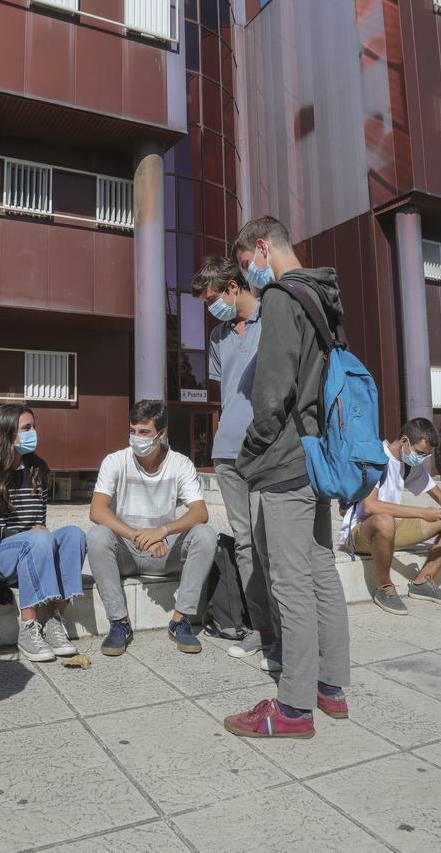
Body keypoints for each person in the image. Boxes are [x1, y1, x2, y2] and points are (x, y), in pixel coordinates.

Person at [221, 216, 350, 740]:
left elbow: (272, 394)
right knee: (322, 569)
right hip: (319, 455)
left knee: (290, 580)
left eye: (247, 262)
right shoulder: (324, 296)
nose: (248, 272)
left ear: (261, 248)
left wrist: (251, 452)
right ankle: (330, 688)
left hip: (285, 460)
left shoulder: (280, 299)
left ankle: (293, 709)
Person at [190, 257, 280, 666]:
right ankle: (261, 631)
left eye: (213, 298)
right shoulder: (218, 336)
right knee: (244, 544)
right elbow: (224, 394)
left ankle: (284, 634)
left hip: (269, 450)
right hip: (227, 454)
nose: (212, 307)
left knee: (271, 545)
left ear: (231, 286)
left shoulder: (274, 318)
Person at [88, 400, 217, 656]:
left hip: (164, 552)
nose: (136, 438)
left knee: (206, 534)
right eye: (132, 430)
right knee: (97, 536)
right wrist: (139, 536)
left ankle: (180, 620)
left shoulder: (180, 464)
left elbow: (200, 512)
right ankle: (119, 623)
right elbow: (97, 510)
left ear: (162, 434)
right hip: (127, 550)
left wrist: (163, 532)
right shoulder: (115, 461)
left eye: (144, 432)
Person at [0, 404, 87, 663]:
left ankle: (55, 621)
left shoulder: (38, 469)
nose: (34, 433)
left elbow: (39, 525)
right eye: (26, 428)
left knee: (75, 534)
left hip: (31, 551)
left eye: (34, 427)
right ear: (7, 433)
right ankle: (29, 628)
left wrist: (34, 535)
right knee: (38, 538)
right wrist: (18, 534)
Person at [345, 418, 441, 615]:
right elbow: (371, 506)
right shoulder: (376, 456)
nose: (421, 458)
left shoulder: (409, 464)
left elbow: (440, 496)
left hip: (391, 528)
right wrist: (423, 513)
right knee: (384, 519)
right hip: (361, 532)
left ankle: (423, 581)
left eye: (426, 455)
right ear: (405, 441)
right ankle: (385, 589)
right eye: (420, 453)